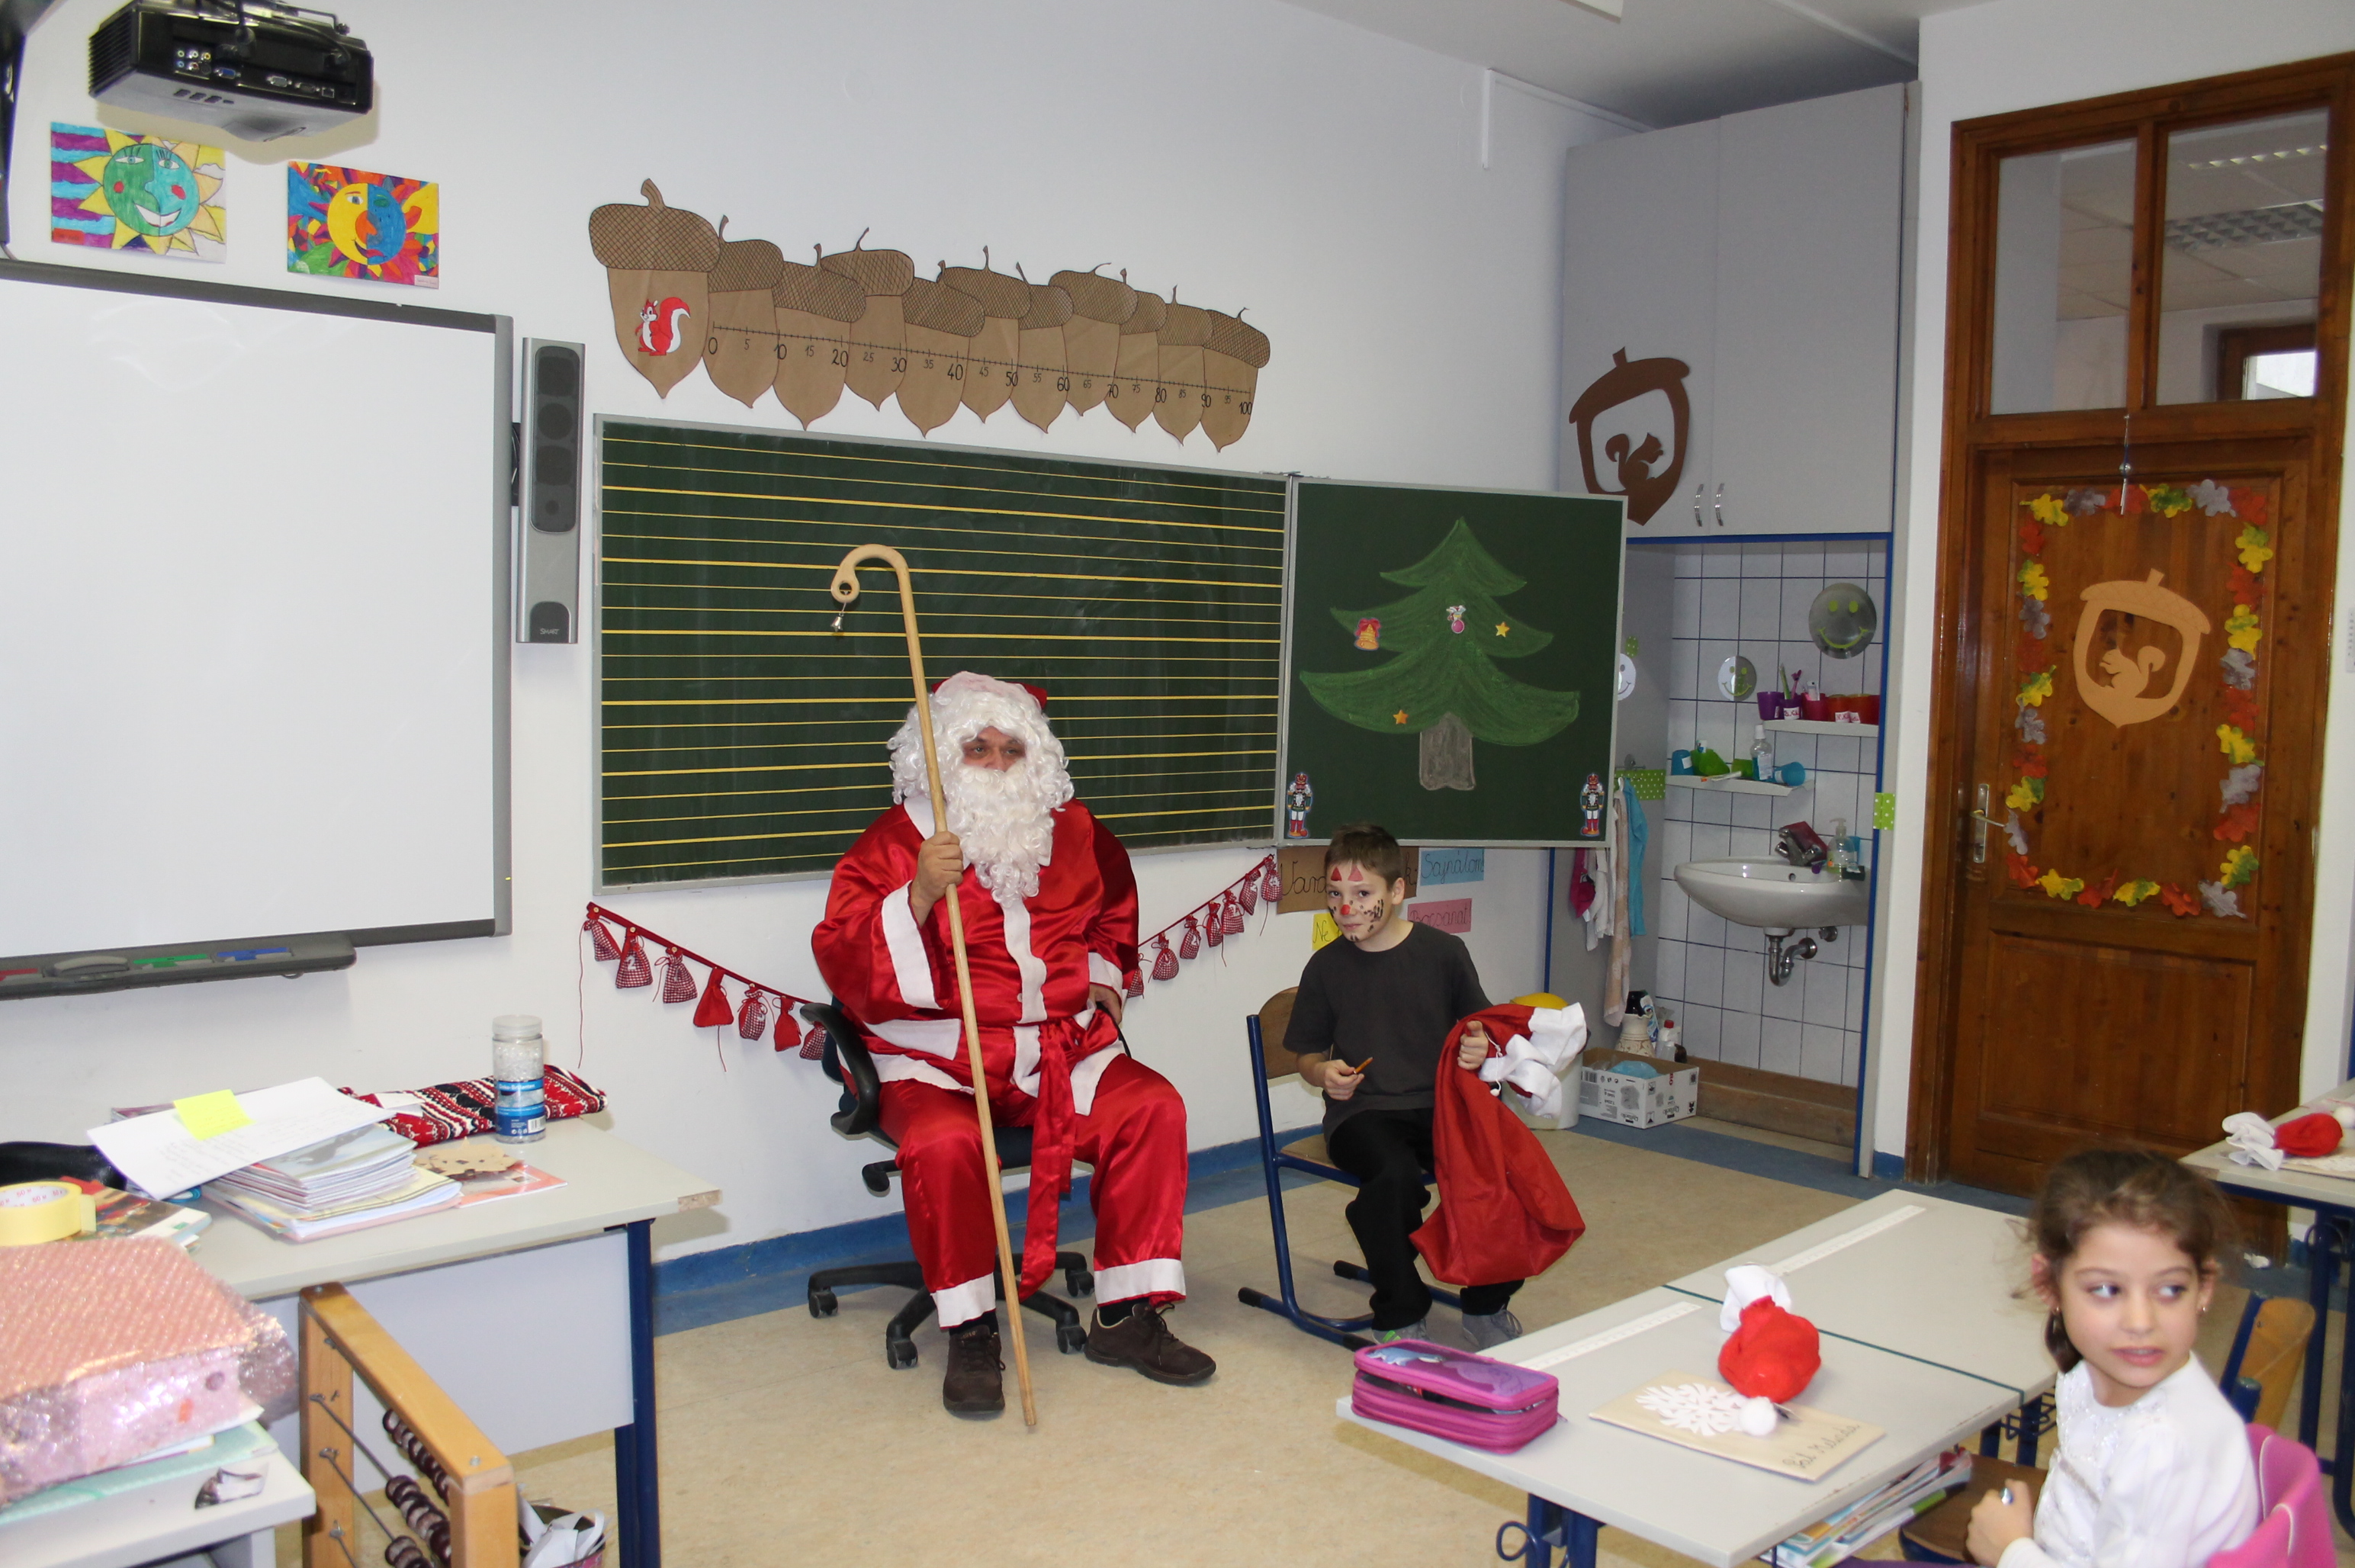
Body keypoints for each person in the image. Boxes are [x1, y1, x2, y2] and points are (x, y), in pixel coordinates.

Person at [811, 671, 1214, 1416]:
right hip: (935, 1061)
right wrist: (917, 895)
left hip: (1055, 1051)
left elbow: (1113, 910)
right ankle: (970, 1331)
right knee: (945, 1144)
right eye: (978, 747)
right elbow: (842, 955)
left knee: (1152, 1108)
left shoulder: (1074, 832)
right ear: (940, 755)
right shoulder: (893, 844)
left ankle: (1126, 1317)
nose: (997, 763)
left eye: (1011, 748)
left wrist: (1103, 977)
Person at [1281, 821, 1521, 1348]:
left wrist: (1480, 1047)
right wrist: (1323, 1075)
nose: (1347, 908)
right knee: (1392, 1179)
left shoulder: (1443, 953)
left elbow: (1479, 1028)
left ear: (1397, 891)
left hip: (1439, 1106)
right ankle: (1400, 1306)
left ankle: (1486, 1305)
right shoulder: (1326, 967)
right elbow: (1307, 1056)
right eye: (1335, 895)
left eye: (1362, 894)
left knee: (1501, 1170)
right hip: (1361, 1115)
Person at [1965, 1149, 2258, 1567]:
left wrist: (2010, 1551)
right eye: (2106, 1290)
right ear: (2048, 1284)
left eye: (2170, 1289)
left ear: (2204, 1288)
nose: (2141, 1322)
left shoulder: (2161, 1444)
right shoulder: (2088, 1371)